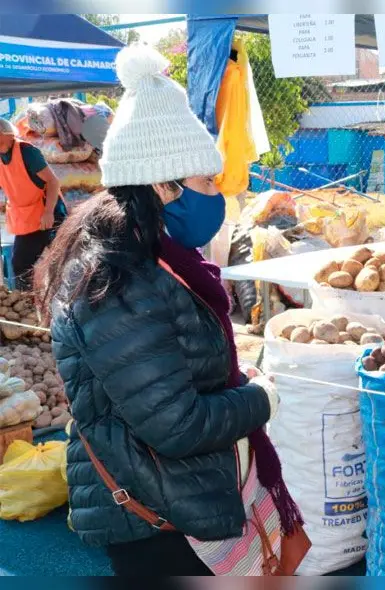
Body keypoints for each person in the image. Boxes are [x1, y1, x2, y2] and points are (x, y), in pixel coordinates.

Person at [33, 45, 300, 576]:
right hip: (152, 515)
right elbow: (177, 425)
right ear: (161, 186)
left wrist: (233, 379)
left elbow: (172, 375)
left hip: (175, 492)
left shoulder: (158, 258)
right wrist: (259, 399)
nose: (217, 195)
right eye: (207, 182)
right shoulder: (117, 282)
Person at [0, 118, 66, 290]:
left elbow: (53, 182)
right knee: (21, 265)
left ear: (6, 134)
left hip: (48, 214)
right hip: (26, 217)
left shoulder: (27, 152)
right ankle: (27, 302)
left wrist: (48, 212)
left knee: (63, 262)